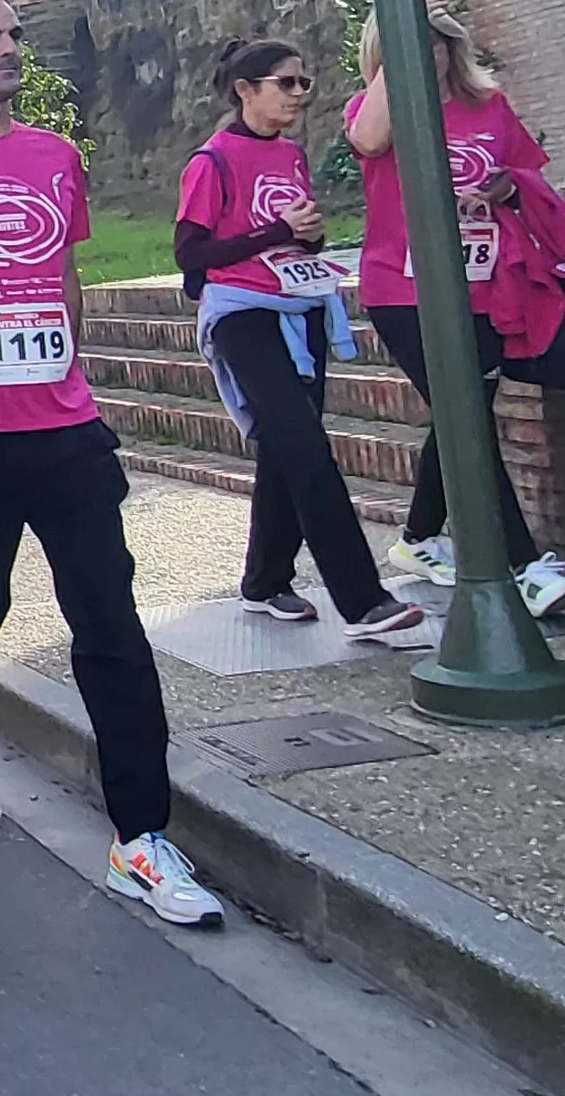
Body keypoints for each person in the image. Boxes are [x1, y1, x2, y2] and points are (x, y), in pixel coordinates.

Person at [0, 0, 223, 927]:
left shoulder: (54, 156)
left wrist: (72, 378)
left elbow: (61, 272)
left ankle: (140, 838)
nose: (8, 48)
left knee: (108, 618)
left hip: (62, 428)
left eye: (13, 33)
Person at [179, 39, 427, 643]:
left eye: (303, 83)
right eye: (285, 83)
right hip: (242, 315)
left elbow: (298, 242)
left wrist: (308, 237)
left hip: (302, 308)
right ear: (246, 90)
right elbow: (192, 257)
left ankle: (264, 581)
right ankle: (362, 598)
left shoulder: (290, 154)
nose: (297, 95)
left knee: (285, 448)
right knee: (305, 447)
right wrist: (273, 232)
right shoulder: (210, 162)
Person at [349, 6, 565, 618]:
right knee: (468, 421)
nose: (424, 55)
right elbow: (368, 141)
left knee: (465, 414)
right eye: (409, 45)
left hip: (483, 287)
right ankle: (526, 567)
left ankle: (416, 539)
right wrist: (391, 66)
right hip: (403, 290)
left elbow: (524, 171)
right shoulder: (375, 108)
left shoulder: (487, 107)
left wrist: (504, 186)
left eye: (432, 45)